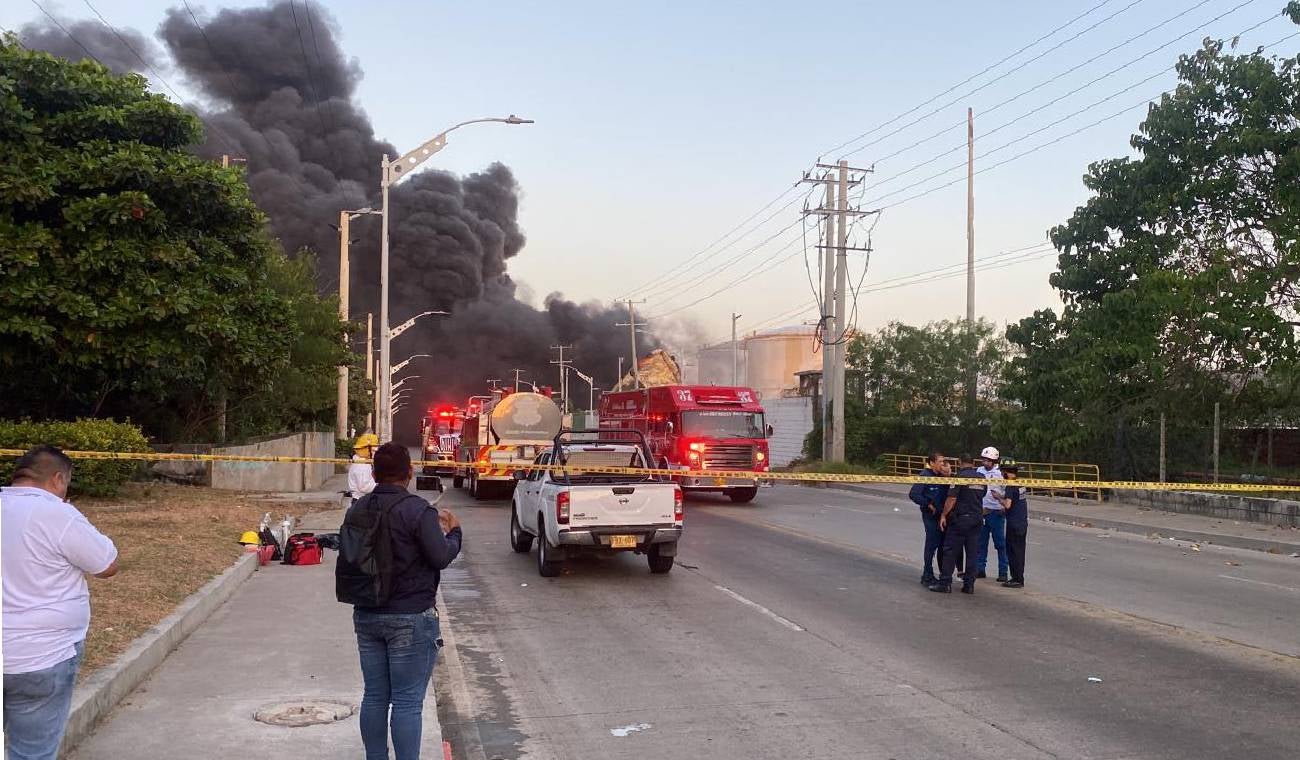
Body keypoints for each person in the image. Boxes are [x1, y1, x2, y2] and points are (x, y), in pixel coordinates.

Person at [336, 443, 462, 760]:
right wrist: (454, 533)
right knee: (406, 701)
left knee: (375, 696)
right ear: (409, 472)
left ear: (375, 474)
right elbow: (440, 556)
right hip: (410, 618)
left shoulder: (358, 509)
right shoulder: (419, 511)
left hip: (367, 614)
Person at [2, 445, 118, 760]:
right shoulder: (58, 514)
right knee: (31, 753)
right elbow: (106, 565)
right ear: (57, 479)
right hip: (42, 657)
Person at [929, 458, 986, 594]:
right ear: (973, 463)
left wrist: (943, 514)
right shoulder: (981, 477)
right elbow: (982, 494)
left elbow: (952, 498)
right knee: (972, 553)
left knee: (950, 551)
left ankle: (945, 583)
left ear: (960, 463)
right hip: (977, 518)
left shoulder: (959, 477)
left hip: (960, 519)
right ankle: (969, 585)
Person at [907, 451, 950, 586]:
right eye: (940, 462)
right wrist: (928, 504)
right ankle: (927, 574)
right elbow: (914, 494)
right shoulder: (925, 475)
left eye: (943, 461)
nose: (942, 464)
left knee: (943, 546)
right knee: (931, 546)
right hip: (931, 516)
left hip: (943, 516)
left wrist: (948, 475)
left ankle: (944, 576)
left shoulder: (942, 476)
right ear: (932, 463)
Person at [975, 446, 1010, 583]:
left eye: (988, 460)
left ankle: (1003, 572)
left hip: (997, 513)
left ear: (994, 461)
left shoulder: (1001, 473)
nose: (985, 462)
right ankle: (980, 569)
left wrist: (1002, 505)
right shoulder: (979, 471)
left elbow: (1008, 493)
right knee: (981, 543)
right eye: (984, 460)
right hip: (982, 512)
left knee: (1000, 544)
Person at [1001, 460, 1028, 589]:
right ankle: (1019, 577)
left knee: (1013, 551)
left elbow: (1008, 504)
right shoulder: (1020, 483)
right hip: (1022, 521)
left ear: (1006, 473)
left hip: (1014, 523)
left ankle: (1016, 579)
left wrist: (998, 498)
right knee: (1020, 551)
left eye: (1003, 472)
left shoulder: (1010, 485)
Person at [348, 433, 379, 499]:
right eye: (374, 450)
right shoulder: (361, 465)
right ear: (366, 450)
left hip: (363, 499)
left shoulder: (363, 461)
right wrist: (381, 485)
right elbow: (364, 487)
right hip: (361, 500)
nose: (375, 452)